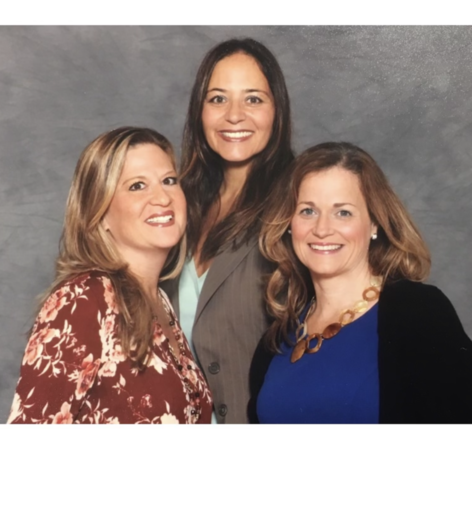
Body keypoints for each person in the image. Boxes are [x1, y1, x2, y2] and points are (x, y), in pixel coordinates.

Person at [249, 142, 472, 423]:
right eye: (308, 211)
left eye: (343, 212)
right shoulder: (277, 340)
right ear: (289, 223)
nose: (322, 229)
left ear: (375, 223)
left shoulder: (418, 313)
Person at [7, 127, 213, 424]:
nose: (162, 198)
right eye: (137, 186)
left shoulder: (161, 302)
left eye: (169, 180)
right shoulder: (83, 300)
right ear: (100, 213)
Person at [162, 38, 294, 423]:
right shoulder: (174, 203)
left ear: (277, 110)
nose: (234, 115)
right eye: (218, 99)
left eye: (253, 99)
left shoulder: (298, 204)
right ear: (199, 112)